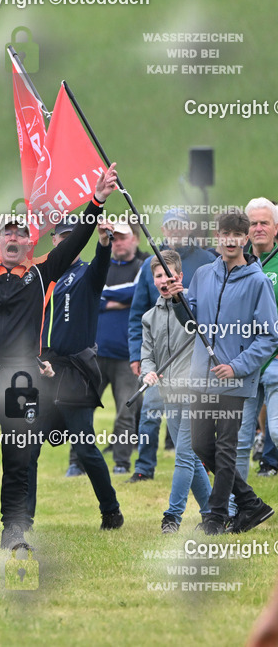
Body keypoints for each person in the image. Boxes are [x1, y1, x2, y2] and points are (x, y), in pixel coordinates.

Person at [0, 161, 119, 552]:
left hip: (21, 379)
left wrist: (97, 199)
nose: (14, 238)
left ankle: (13, 529)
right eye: (7, 233)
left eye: (21, 233)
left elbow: (77, 240)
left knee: (17, 455)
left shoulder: (41, 272)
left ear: (30, 243)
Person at [166, 209, 277, 534]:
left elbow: (270, 334)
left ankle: (215, 517)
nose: (230, 240)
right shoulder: (202, 275)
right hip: (201, 379)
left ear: (244, 240)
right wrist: (176, 300)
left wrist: (238, 367)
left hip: (235, 382)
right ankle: (251, 504)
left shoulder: (257, 281)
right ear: (217, 237)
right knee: (201, 445)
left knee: (226, 449)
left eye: (236, 235)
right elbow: (192, 323)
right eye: (224, 233)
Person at [25, 218, 124, 530]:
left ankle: (111, 510)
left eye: (73, 238)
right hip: (39, 372)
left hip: (74, 373)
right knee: (27, 447)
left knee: (84, 448)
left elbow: (101, 264)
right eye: (62, 238)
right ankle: (22, 519)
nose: (68, 242)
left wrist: (104, 241)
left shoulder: (87, 275)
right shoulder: (39, 276)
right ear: (54, 241)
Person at [126, 207, 215, 482]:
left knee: (194, 420)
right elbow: (138, 312)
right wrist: (136, 354)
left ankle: (200, 464)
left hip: (193, 360)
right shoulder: (149, 265)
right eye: (170, 226)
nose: (175, 230)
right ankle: (144, 467)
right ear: (163, 230)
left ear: (189, 228)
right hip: (160, 360)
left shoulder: (207, 261)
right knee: (151, 412)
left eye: (180, 225)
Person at [137, 250, 211, 533]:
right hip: (169, 393)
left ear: (179, 276)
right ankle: (217, 513)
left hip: (195, 391)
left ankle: (172, 517)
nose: (163, 281)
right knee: (190, 459)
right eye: (158, 276)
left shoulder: (195, 304)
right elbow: (147, 356)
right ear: (153, 279)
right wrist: (149, 371)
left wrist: (183, 300)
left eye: (169, 275)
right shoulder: (149, 317)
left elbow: (197, 329)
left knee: (184, 456)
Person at [95, 221, 147, 476]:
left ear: (135, 239)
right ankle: (76, 461)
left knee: (125, 412)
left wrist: (103, 300)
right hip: (95, 354)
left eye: (123, 238)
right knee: (80, 410)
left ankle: (121, 462)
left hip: (127, 356)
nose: (117, 242)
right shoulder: (101, 265)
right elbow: (91, 293)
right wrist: (114, 302)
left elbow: (137, 292)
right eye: (113, 238)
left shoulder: (142, 267)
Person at [237, 199, 278, 489]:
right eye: (253, 223)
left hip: (276, 363)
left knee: (276, 430)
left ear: (276, 227)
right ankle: (236, 504)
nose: (259, 228)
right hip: (246, 364)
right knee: (239, 440)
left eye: (265, 222)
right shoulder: (236, 263)